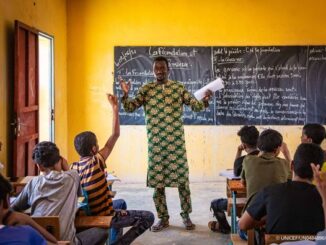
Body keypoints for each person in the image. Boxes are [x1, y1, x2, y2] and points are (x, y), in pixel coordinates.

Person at [119, 56, 213, 231]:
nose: (160, 71)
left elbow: (196, 106)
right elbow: (130, 107)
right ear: (153, 70)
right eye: (157, 68)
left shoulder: (178, 88)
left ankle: (186, 216)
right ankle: (163, 218)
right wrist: (125, 94)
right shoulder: (146, 90)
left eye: (162, 68)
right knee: (158, 184)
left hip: (176, 145)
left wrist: (206, 99)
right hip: (156, 145)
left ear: (168, 69)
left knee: (183, 182)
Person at [72, 94, 154, 245]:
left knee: (121, 203)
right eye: (97, 145)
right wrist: (115, 108)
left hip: (87, 212)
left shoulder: (74, 167)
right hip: (103, 215)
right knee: (148, 217)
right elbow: (115, 135)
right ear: (94, 149)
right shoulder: (96, 161)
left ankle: (114, 240)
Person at [11, 141, 108, 245]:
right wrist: (64, 165)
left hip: (40, 242)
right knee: (101, 232)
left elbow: (13, 208)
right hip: (67, 243)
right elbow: (78, 193)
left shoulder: (33, 183)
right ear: (60, 160)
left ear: (39, 167)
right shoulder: (72, 177)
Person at [239, 143, 325, 238]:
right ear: (318, 171)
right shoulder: (323, 197)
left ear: (291, 165)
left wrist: (268, 217)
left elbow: (243, 224)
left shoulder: (270, 191)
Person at [208, 125, 259, 234]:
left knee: (215, 204)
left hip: (248, 205)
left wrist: (238, 151)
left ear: (244, 145)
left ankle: (225, 227)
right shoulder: (269, 160)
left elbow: (236, 171)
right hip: (263, 204)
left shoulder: (244, 161)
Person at [241, 129, 291, 210]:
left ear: (259, 145)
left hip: (252, 212)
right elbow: (293, 179)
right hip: (275, 212)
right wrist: (286, 152)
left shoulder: (248, 160)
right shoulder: (284, 164)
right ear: (277, 149)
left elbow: (243, 183)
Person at [0, 173, 57, 244]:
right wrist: (27, 220)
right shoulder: (25, 234)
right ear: (6, 201)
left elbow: (15, 206)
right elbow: (54, 243)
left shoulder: (33, 183)